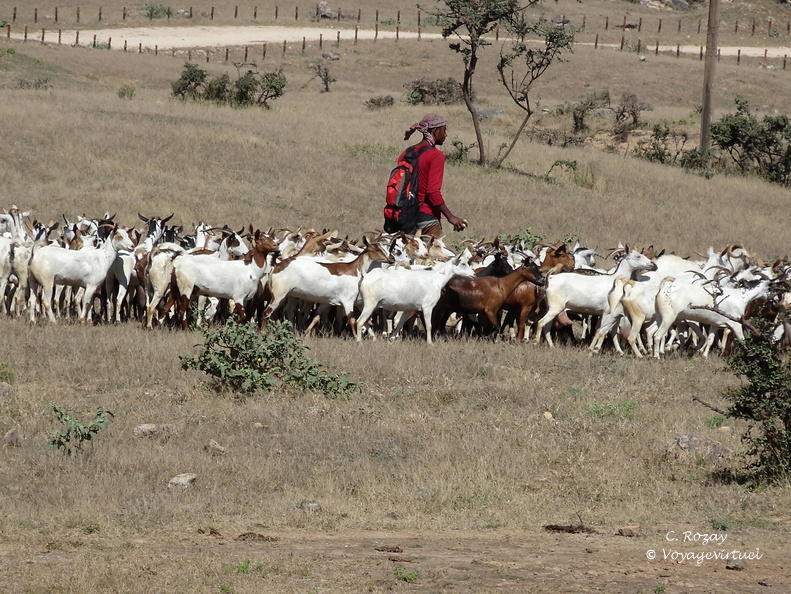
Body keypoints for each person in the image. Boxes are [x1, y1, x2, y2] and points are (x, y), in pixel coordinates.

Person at [402, 113, 468, 236]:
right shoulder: (435, 155)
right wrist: (450, 217)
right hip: (425, 216)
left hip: (403, 214)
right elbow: (432, 191)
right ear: (435, 131)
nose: (445, 135)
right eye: (444, 130)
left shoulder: (407, 152)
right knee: (433, 255)